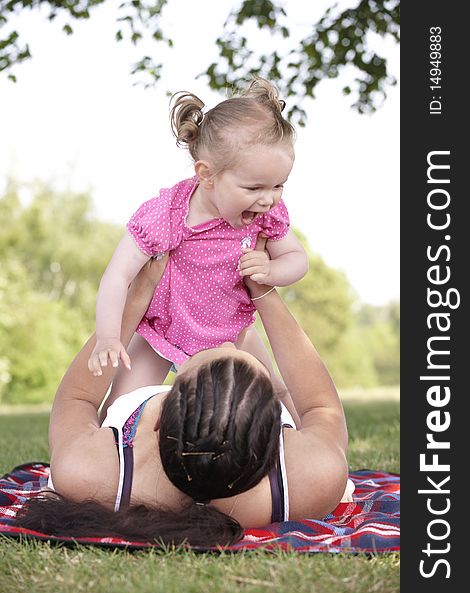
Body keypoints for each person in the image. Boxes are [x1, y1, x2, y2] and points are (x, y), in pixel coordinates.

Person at [16, 242, 351, 547]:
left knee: (180, 341)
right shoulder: (314, 477)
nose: (222, 341)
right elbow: (320, 407)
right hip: (235, 426)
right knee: (241, 339)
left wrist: (139, 294)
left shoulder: (91, 473)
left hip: (139, 454)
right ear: (278, 434)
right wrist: (263, 292)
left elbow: (76, 400)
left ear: (158, 414)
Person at [87, 78, 309, 410]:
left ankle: (291, 451)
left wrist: (271, 269)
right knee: (119, 407)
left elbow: (297, 259)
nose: (268, 199)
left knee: (276, 401)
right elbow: (117, 276)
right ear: (206, 175)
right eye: (254, 188)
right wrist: (108, 335)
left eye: (279, 185)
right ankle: (112, 451)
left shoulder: (267, 213)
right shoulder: (170, 212)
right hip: (164, 332)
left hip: (234, 333)